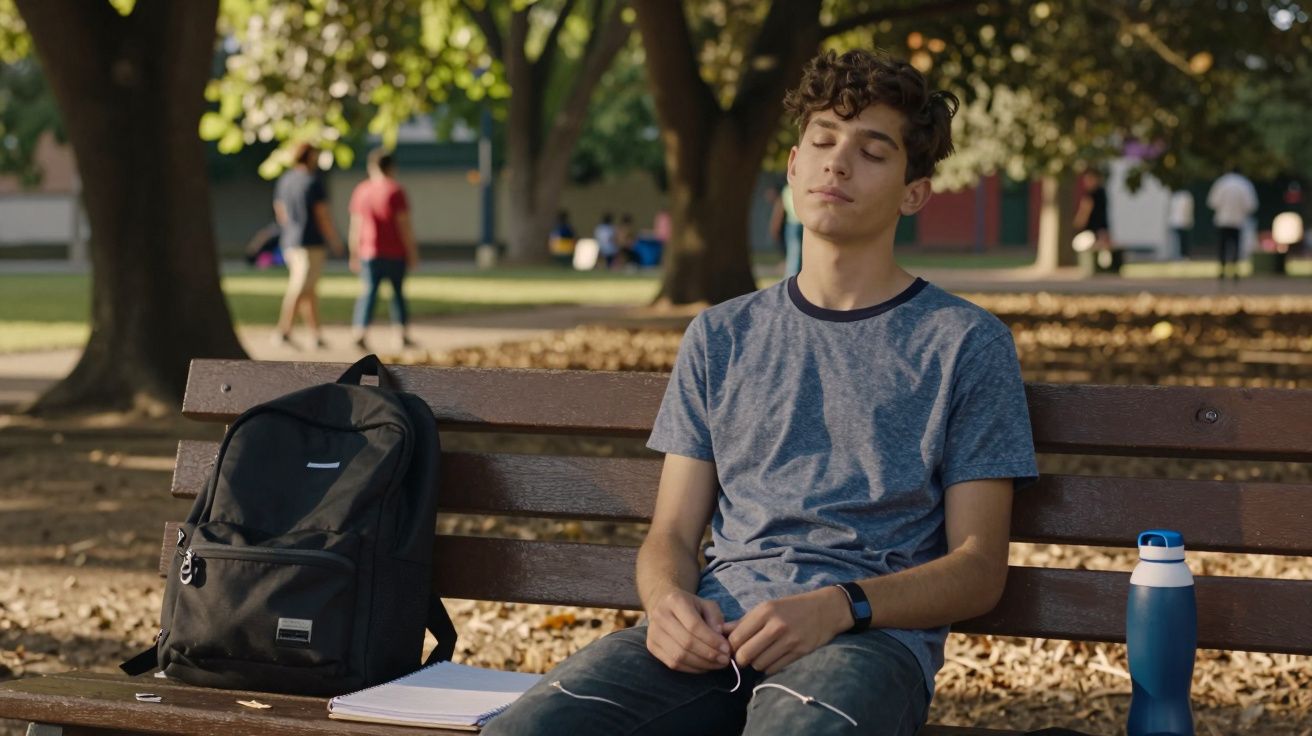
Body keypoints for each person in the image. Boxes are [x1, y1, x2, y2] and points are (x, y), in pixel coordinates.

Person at [485, 49, 1037, 736]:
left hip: (863, 644)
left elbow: (979, 568)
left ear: (913, 190)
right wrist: (665, 605)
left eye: (872, 151)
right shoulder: (721, 335)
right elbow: (673, 535)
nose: (838, 163)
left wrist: (841, 605)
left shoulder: (965, 343)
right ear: (794, 165)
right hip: (715, 633)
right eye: (823, 141)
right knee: (526, 731)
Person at [272, 142, 344, 348]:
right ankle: (283, 331)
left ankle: (315, 335)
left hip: (289, 242)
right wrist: (335, 240)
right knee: (300, 288)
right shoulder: (313, 182)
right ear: (310, 157)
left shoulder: (285, 180)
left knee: (309, 290)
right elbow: (322, 215)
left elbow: (280, 211)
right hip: (310, 243)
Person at [348, 148, 419, 351]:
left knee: (369, 293)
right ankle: (401, 334)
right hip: (395, 251)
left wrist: (354, 252)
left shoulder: (361, 190)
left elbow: (356, 225)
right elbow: (404, 225)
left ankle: (360, 331)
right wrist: (412, 251)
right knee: (397, 294)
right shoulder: (395, 191)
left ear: (372, 166)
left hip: (369, 252)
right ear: (391, 167)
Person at [1207, 168, 1259, 282]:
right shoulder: (1245, 184)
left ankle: (1222, 270)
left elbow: (1213, 202)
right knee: (1236, 246)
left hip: (1223, 220)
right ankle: (1235, 270)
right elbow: (1251, 205)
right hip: (1238, 221)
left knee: (1222, 246)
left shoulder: (1221, 182)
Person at [1073, 168, 1112, 251]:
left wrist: (1078, 224)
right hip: (1097, 229)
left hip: (1094, 231)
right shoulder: (1101, 192)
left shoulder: (1092, 195)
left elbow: (1085, 211)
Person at [780, 182, 804, 276]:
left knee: (795, 253)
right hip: (795, 224)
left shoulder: (787, 190)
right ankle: (791, 277)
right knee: (795, 253)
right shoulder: (793, 189)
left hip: (793, 224)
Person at [1168, 189, 1194, 260]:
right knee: (1178, 241)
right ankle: (1179, 255)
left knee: (1181, 241)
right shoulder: (1183, 197)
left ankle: (1182, 255)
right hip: (1179, 222)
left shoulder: (1183, 197)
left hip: (1181, 222)